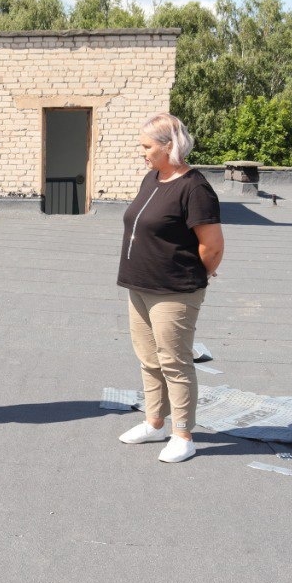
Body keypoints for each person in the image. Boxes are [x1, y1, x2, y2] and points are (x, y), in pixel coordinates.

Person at [116, 113, 224, 463]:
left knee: (174, 362)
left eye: (147, 146)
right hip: (140, 286)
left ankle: (183, 434)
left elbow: (212, 246)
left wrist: (195, 276)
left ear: (169, 146)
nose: (141, 152)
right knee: (149, 360)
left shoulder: (195, 187)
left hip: (174, 291)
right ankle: (154, 422)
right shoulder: (154, 178)